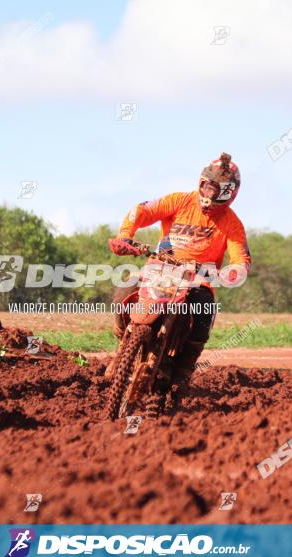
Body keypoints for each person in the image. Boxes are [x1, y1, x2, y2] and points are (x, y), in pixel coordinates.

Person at [107, 152, 252, 399]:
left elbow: (241, 258)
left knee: (205, 311)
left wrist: (233, 272)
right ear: (200, 182)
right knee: (125, 287)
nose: (208, 194)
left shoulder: (232, 223)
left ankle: (184, 370)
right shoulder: (180, 201)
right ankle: (123, 345)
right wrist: (124, 235)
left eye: (216, 190)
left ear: (228, 193)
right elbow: (142, 210)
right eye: (206, 186)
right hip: (160, 266)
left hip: (198, 277)